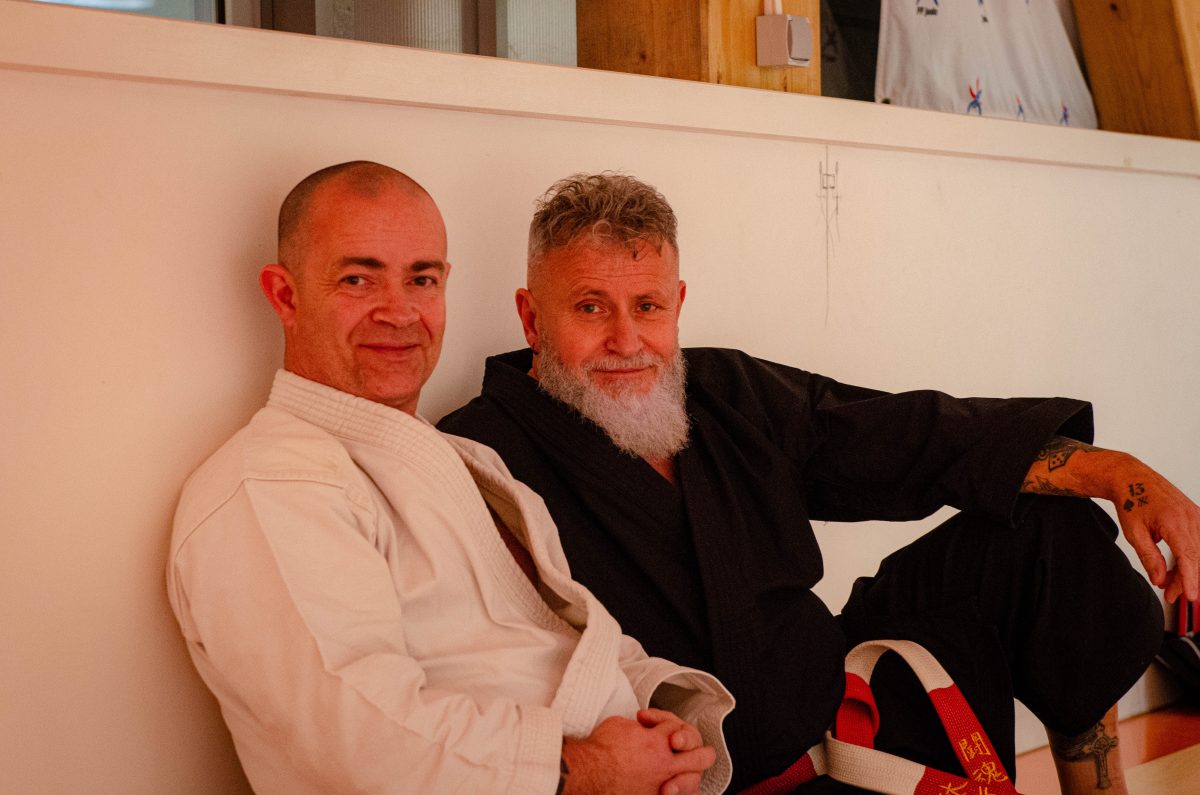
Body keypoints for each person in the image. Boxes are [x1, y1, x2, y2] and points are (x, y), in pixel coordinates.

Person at [438, 172, 1200, 793]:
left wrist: (1117, 472)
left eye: (647, 306)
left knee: (1043, 530)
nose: (627, 340)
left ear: (678, 304)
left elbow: (906, 436)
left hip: (846, 709)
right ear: (531, 319)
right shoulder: (476, 457)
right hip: (690, 774)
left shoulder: (723, 392)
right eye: (590, 308)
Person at [166, 162, 736, 795]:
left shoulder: (466, 457)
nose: (399, 312)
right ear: (286, 296)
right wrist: (597, 769)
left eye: (422, 279)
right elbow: (360, 743)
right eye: (358, 279)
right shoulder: (272, 486)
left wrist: (662, 719)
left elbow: (564, 639)